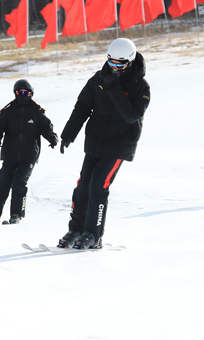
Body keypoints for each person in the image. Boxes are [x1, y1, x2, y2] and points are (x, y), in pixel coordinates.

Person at [57, 38, 150, 249]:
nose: (115, 68)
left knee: (99, 185)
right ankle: (76, 230)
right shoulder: (98, 79)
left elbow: (131, 115)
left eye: (120, 64)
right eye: (111, 62)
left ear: (130, 61)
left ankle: (93, 234)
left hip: (120, 145)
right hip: (95, 141)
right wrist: (68, 134)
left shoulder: (140, 87)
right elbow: (82, 108)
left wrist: (114, 87)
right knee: (83, 186)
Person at [0, 79, 58, 225]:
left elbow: (46, 127)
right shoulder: (8, 112)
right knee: (3, 183)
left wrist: (52, 138)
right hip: (10, 155)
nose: (22, 95)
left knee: (19, 183)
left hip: (29, 156)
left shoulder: (36, 112)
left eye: (25, 93)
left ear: (31, 94)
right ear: (15, 93)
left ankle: (16, 214)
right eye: (19, 92)